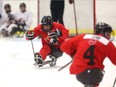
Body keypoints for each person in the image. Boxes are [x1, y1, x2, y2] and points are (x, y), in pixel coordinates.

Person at [61, 22, 116, 87]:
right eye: (107, 34)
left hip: (79, 73)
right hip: (95, 74)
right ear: (101, 32)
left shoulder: (83, 36)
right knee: (93, 77)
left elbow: (64, 46)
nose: (109, 36)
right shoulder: (106, 42)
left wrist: (73, 54)